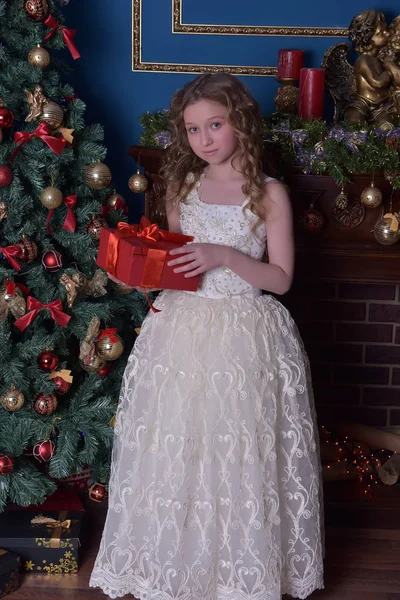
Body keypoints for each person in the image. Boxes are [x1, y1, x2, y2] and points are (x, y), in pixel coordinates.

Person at [89, 72, 324, 600]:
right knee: (181, 445)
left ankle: (240, 572)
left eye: (214, 124)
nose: (204, 139)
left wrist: (228, 257)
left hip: (244, 334)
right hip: (184, 329)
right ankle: (179, 565)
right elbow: (181, 267)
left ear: (240, 121)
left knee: (238, 450)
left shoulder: (269, 193)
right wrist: (140, 268)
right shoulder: (183, 188)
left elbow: (281, 279)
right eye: (193, 130)